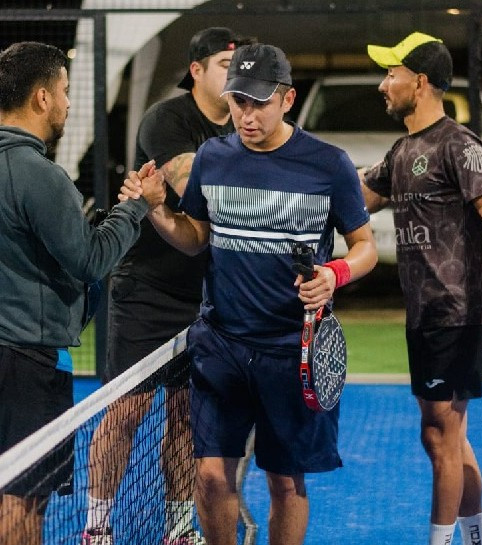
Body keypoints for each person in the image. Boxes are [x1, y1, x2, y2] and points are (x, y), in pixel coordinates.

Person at [120, 42, 378, 545]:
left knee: (285, 481)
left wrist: (335, 274)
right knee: (210, 475)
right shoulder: (213, 158)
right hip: (221, 345)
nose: (247, 114)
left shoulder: (329, 164)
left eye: (259, 102)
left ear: (287, 99)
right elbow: (195, 236)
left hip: (292, 349)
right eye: (239, 101)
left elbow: (364, 245)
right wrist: (156, 209)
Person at [83, 27, 254, 545]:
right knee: (126, 411)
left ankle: (178, 527)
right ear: (196, 71)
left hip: (206, 298)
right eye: (225, 65)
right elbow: (194, 189)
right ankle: (96, 526)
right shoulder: (167, 119)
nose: (236, 75)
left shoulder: (245, 124)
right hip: (147, 291)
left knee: (185, 417)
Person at [360, 32, 482, 545]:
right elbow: (356, 197)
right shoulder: (403, 150)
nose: (383, 85)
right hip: (425, 315)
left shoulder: (459, 145)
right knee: (449, 438)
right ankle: (477, 539)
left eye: (391, 74)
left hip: (458, 312)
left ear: (420, 82)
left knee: (439, 435)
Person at [0, 42, 161, 545]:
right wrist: (135, 208)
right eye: (66, 91)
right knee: (22, 496)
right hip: (25, 364)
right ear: (42, 97)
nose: (69, 104)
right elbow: (91, 260)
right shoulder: (38, 174)